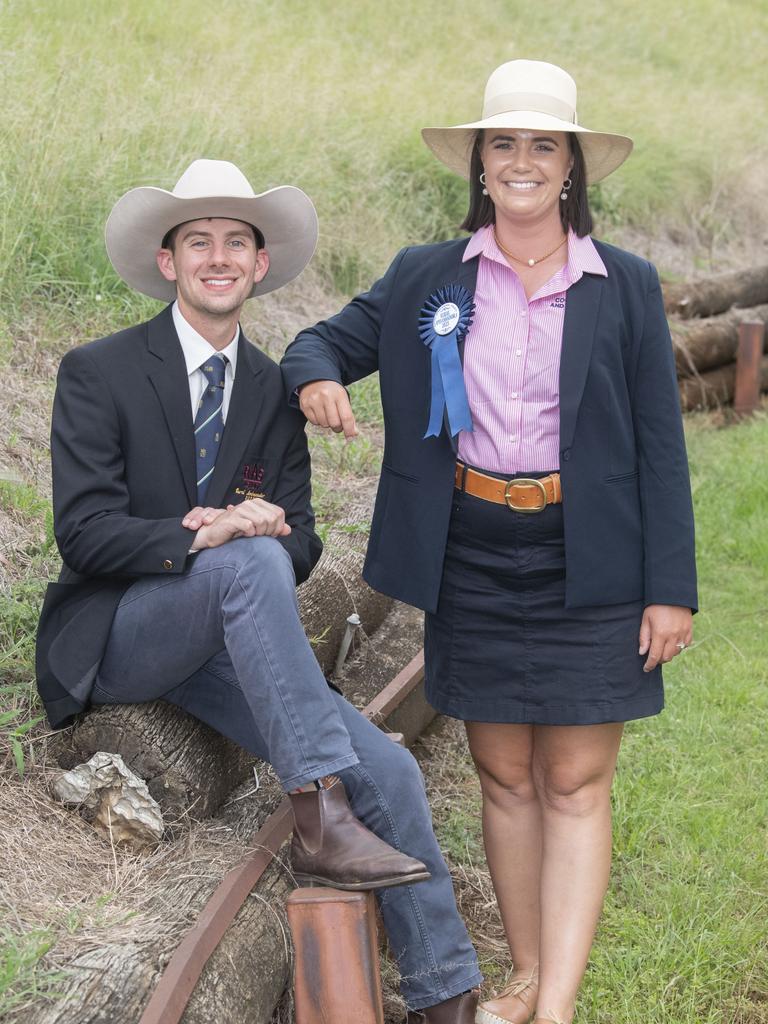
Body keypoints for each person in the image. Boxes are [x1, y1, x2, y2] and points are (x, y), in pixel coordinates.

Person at [281, 60, 697, 1024]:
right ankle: (522, 975)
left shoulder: (626, 286)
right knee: (504, 776)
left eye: (541, 145)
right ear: (479, 164)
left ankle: (555, 1003)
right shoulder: (428, 275)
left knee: (576, 779)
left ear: (570, 168)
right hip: (469, 554)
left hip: (592, 558)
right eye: (502, 144)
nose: (520, 161)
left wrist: (668, 587)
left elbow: (661, 448)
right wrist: (316, 382)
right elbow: (318, 343)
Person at [35, 159, 483, 1021]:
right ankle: (319, 815)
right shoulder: (99, 371)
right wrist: (211, 529)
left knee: (388, 764)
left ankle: (445, 991)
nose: (216, 256)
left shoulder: (277, 392)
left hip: (230, 635)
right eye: (197, 240)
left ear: (258, 264)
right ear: (167, 262)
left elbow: (305, 539)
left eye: (234, 242)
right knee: (240, 558)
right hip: (124, 630)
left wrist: (272, 525)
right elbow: (84, 534)